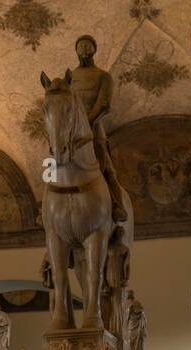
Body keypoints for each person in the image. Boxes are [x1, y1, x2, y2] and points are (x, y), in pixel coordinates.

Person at [68, 35, 127, 222]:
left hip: (94, 129)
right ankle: (47, 204)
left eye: (87, 45)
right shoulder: (69, 77)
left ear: (94, 49)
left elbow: (103, 104)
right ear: (76, 50)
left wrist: (87, 124)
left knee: (106, 169)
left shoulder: (103, 76)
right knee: (54, 163)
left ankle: (117, 205)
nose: (84, 49)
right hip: (71, 131)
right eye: (80, 46)